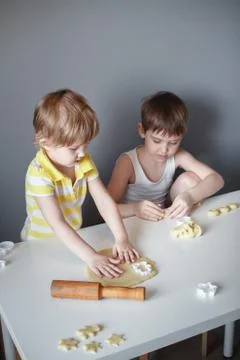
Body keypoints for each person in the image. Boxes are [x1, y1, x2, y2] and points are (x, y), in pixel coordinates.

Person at [21, 89, 138, 278]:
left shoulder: (81, 161)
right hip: (41, 246)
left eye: (86, 145)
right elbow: (57, 223)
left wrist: (122, 238)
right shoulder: (38, 174)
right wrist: (91, 256)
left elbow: (104, 201)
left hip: (74, 240)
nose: (83, 153)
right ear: (45, 142)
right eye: (74, 148)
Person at [108, 91, 224, 221]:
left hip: (164, 216)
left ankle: (184, 221)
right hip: (132, 222)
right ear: (142, 131)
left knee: (191, 179)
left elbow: (217, 179)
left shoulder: (179, 155)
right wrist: (135, 209)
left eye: (173, 142)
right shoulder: (127, 162)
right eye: (157, 141)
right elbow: (106, 208)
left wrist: (190, 196)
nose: (164, 150)